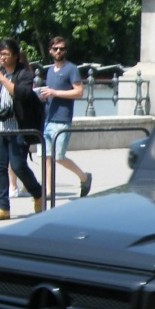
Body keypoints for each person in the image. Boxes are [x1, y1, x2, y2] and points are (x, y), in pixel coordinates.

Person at [0, 37, 44, 221]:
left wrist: (2, 78)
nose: (2, 58)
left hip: (18, 127)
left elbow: (22, 94)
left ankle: (38, 193)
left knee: (18, 166)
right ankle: (2, 207)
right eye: (0, 53)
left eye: (6, 54)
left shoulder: (24, 74)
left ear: (16, 56)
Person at [37, 36, 92, 198]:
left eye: (61, 49)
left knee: (58, 157)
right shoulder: (49, 71)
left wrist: (55, 93)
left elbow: (79, 92)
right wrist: (44, 95)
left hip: (62, 119)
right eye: (55, 49)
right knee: (46, 157)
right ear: (50, 51)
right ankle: (48, 191)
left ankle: (84, 177)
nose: (58, 51)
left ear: (65, 51)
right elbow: (51, 91)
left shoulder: (71, 69)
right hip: (47, 119)